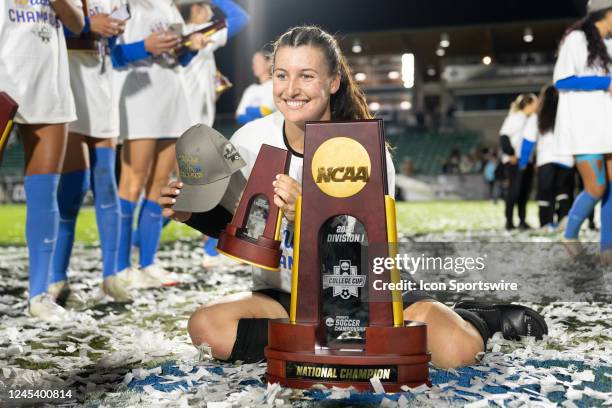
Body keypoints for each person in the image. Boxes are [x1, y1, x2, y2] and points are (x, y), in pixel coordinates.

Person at [159, 26, 548, 369]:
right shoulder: (249, 139)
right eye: (282, 75)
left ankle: (478, 316)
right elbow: (243, 229)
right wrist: (195, 213)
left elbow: (367, 249)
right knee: (208, 328)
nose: (291, 89)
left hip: (363, 287)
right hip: (287, 293)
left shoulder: (363, 149)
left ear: (332, 82)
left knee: (456, 350)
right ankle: (340, 343)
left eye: (306, 76)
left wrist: (308, 215)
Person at [112, 0, 209, 286]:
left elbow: (176, 59)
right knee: (132, 181)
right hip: (140, 94)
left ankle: (148, 263)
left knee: (161, 184)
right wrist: (145, 46)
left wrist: (190, 49)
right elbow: (113, 55)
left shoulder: (169, 8)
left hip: (173, 95)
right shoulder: (127, 5)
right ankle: (119, 266)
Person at [1, 0, 84, 319]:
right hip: (3, 79)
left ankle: (39, 295)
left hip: (48, 82)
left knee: (45, 193)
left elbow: (77, 23)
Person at [48, 0, 132, 307]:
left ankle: (111, 277)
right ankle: (57, 278)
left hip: (102, 81)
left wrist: (114, 29)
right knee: (74, 186)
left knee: (107, 183)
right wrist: (85, 24)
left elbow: (118, 46)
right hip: (68, 79)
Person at [554, 0, 612, 256]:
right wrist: (605, 81)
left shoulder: (610, 43)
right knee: (596, 188)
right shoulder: (577, 39)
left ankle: (608, 249)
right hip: (583, 127)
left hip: (607, 124)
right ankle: (570, 234)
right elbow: (562, 80)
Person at [179, 0, 248, 127]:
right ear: (196, 9)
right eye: (209, 7)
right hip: (192, 115)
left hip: (180, 110)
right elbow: (240, 18)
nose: (212, 13)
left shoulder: (176, 33)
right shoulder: (201, 31)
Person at [518, 85, 575, 230]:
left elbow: (528, 141)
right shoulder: (568, 115)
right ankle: (564, 221)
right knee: (564, 192)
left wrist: (523, 162)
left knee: (545, 192)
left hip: (546, 159)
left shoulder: (537, 117)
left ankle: (545, 223)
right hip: (566, 159)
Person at [499, 94, 539, 230]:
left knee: (524, 192)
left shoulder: (531, 119)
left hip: (526, 161)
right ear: (528, 104)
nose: (537, 105)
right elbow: (504, 136)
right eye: (535, 103)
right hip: (514, 161)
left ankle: (522, 220)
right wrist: (511, 154)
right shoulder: (515, 117)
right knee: (514, 191)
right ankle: (509, 221)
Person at [235, 51, 275, 125]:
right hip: (252, 133)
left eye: (258, 61)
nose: (254, 66)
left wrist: (248, 110)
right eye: (253, 63)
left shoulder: (275, 85)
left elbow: (267, 111)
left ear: (268, 63)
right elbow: (238, 116)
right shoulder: (251, 89)